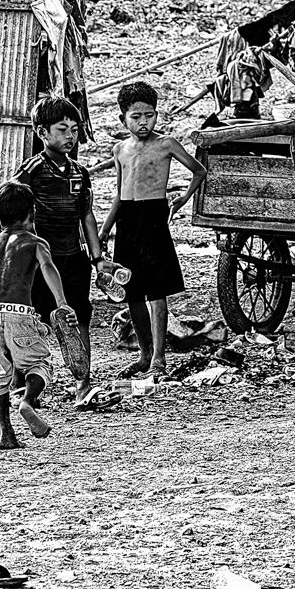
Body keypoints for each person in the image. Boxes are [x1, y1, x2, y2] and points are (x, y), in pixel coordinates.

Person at [0, 181, 77, 450]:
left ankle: (6, 434)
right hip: (19, 313)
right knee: (39, 364)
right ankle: (27, 401)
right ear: (32, 213)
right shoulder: (36, 242)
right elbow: (48, 267)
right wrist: (61, 303)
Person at [102, 82, 204, 378]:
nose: (143, 122)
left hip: (154, 217)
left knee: (157, 292)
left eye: (149, 115)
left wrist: (184, 197)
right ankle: (144, 354)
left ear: (157, 115)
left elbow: (199, 170)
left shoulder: (166, 144)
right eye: (136, 116)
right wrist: (105, 230)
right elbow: (119, 194)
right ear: (123, 119)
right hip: (127, 220)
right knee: (131, 291)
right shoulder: (119, 149)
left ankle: (159, 358)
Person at [13, 95, 102, 395]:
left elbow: (86, 215)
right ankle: (22, 383)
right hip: (39, 260)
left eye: (75, 130)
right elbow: (10, 208)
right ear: (42, 133)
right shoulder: (31, 171)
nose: (70, 136)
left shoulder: (80, 173)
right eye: (62, 129)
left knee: (80, 317)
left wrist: (98, 257)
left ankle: (83, 381)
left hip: (73, 257)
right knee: (32, 320)